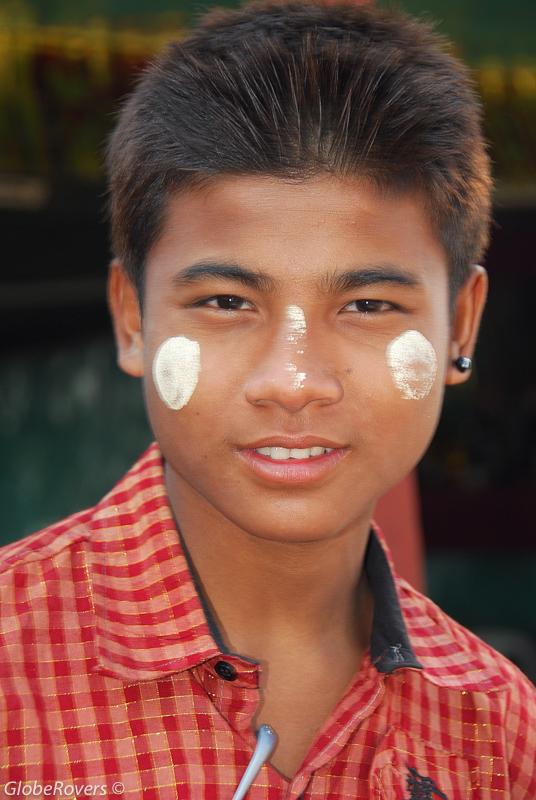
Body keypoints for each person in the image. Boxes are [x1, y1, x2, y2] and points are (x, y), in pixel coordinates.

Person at [1, 0, 534, 797]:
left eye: (366, 306)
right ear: (131, 317)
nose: (294, 382)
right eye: (225, 302)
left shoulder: (502, 735)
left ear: (461, 324)